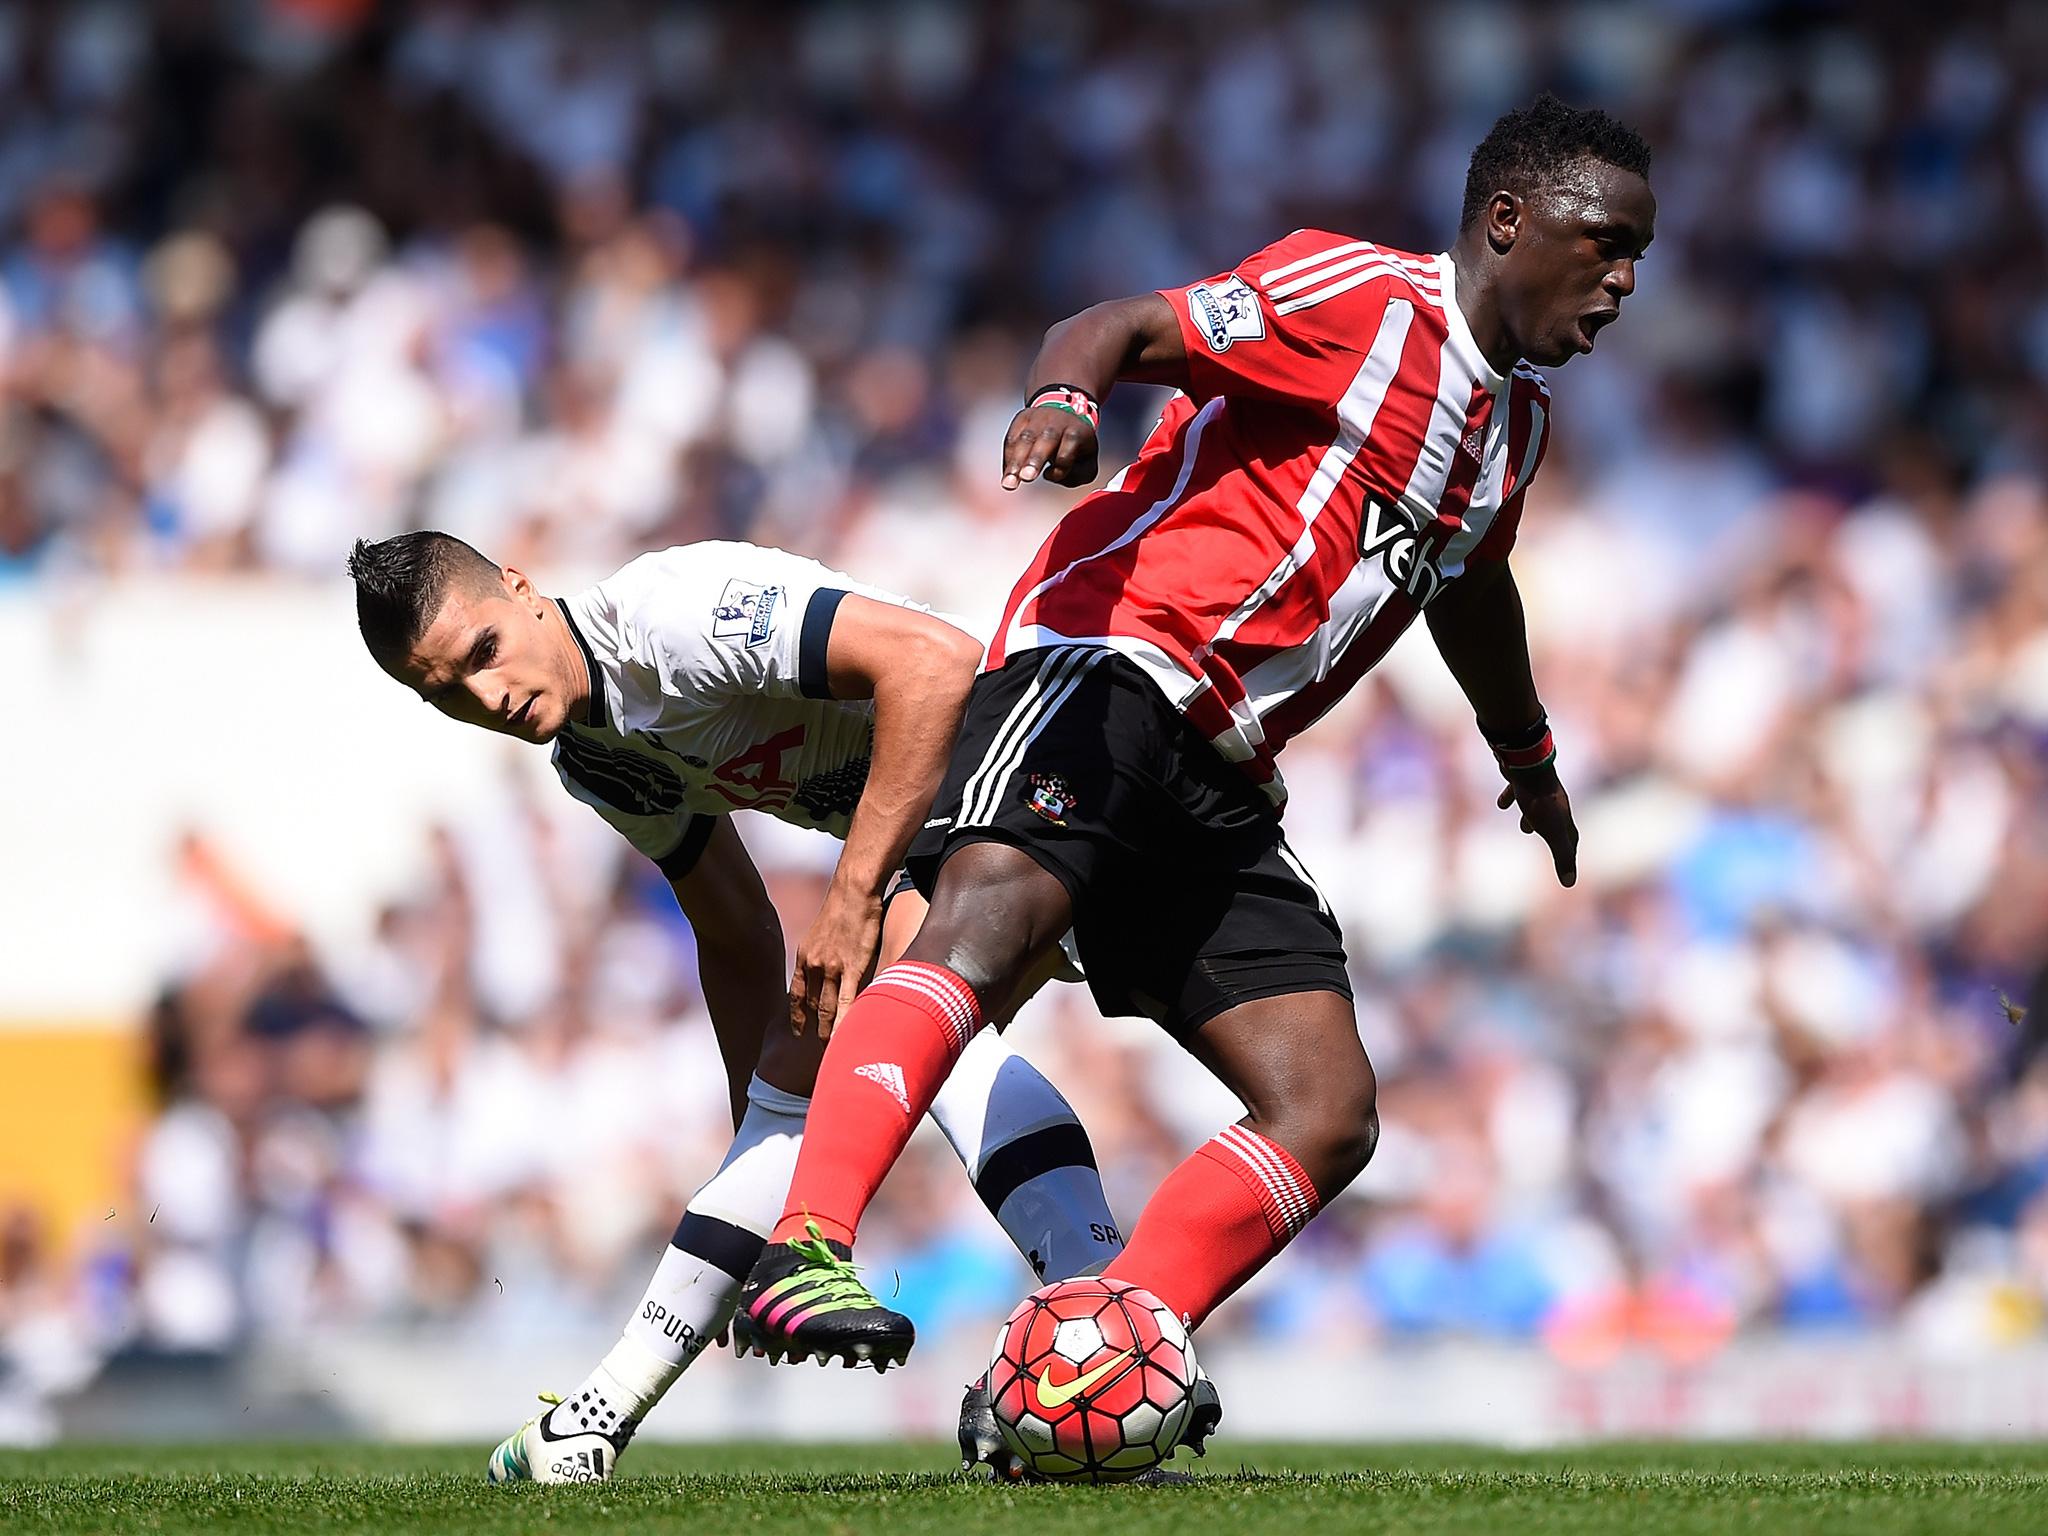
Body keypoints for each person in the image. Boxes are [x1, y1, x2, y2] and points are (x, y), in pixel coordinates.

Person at [733, 95, 1655, 1395]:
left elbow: (1472, 588)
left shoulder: (1518, 427)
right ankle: (805, 1244)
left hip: (1222, 770)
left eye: (1639, 257)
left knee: (1327, 1108)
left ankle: (1101, 1358)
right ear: (1509, 222)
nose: (1621, 282)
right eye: (1603, 242)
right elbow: (1117, 325)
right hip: (1113, 661)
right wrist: (1065, 394)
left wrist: (1531, 762)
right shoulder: (1365, 301)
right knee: (988, 917)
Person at [346, 532, 1154, 1482]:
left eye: (481, 652)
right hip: (948, 826)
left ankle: (1107, 1336)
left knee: (907, 996)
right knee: (835, 1042)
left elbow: (935, 662)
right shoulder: (593, 757)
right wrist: (768, 1135)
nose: (484, 698)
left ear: (521, 588)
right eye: (443, 693)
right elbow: (733, 930)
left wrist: (851, 897)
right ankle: (589, 1426)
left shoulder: (669, 615)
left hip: (1040, 755)